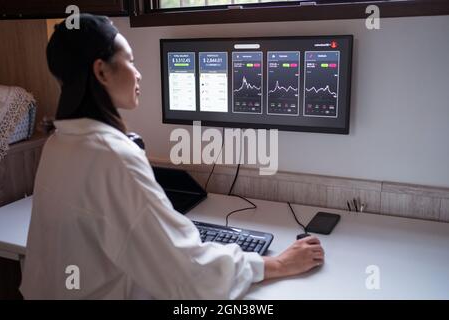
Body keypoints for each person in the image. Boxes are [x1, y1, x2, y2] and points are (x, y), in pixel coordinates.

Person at [20, 14, 324, 299]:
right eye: (130, 61)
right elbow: (188, 273)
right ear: (101, 71)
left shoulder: (59, 143)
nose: (138, 74)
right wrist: (280, 264)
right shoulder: (113, 157)